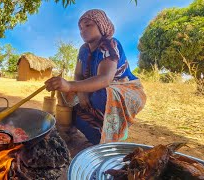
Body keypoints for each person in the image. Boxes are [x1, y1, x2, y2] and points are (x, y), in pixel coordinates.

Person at [45, 9, 146, 145]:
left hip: (122, 89)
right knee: (65, 95)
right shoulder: (83, 50)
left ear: (101, 25)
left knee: (102, 94)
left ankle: (112, 131)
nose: (82, 31)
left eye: (88, 25)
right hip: (93, 88)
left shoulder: (110, 44)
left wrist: (70, 86)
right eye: (80, 28)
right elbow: (79, 74)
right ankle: (78, 128)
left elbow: (105, 79)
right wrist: (80, 92)